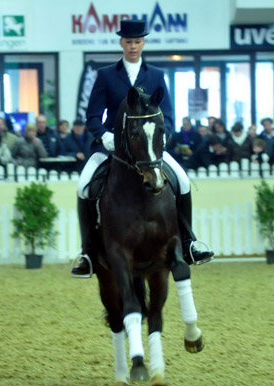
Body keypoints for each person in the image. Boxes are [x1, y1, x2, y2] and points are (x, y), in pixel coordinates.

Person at [71, 19, 214, 278]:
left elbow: (167, 116)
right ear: (121, 43)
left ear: (143, 43)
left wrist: (161, 139)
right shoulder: (105, 75)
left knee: (182, 180)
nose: (133, 46)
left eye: (137, 41)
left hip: (148, 148)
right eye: (128, 41)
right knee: (83, 185)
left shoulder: (156, 75)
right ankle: (88, 252)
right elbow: (92, 116)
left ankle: (188, 242)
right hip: (112, 145)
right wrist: (104, 137)